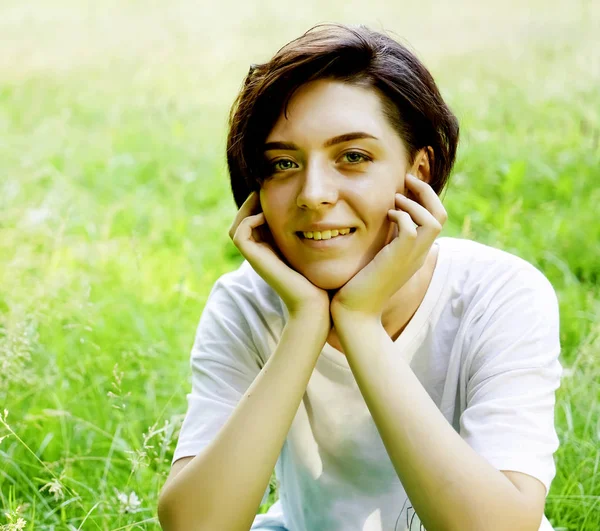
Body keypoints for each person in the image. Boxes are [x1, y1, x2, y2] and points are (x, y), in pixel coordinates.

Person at [157, 23, 562, 531]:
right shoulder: (247, 303)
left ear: (419, 171)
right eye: (283, 163)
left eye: (353, 157)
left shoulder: (500, 295)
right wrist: (306, 322)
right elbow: (196, 525)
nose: (313, 194)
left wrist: (359, 321)